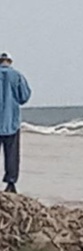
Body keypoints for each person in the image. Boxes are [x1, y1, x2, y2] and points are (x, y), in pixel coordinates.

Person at [0, 52, 31, 193]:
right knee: (12, 154)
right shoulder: (17, 76)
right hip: (11, 122)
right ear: (10, 62)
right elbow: (24, 97)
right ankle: (10, 183)